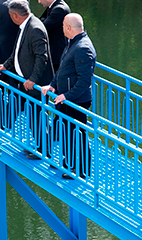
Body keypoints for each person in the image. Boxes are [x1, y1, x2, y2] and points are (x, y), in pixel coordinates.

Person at [41, 13, 96, 180]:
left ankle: (82, 170)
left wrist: (67, 96)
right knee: (65, 130)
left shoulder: (83, 48)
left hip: (76, 101)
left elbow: (84, 81)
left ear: (69, 28)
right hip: (65, 98)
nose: (62, 28)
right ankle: (67, 162)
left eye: (64, 25)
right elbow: (63, 69)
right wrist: (52, 84)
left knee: (78, 134)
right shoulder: (72, 42)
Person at [0, 0, 53, 156]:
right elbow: (17, 51)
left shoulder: (35, 28)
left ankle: (44, 151)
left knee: (36, 116)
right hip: (23, 81)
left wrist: (33, 79)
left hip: (34, 84)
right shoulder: (25, 26)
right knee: (23, 107)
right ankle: (4, 125)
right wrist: (6, 65)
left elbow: (42, 57)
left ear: (14, 15)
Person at [34, 0, 70, 73]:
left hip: (57, 55)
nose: (39, 2)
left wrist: (43, 21)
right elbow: (40, 20)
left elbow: (43, 27)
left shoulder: (60, 9)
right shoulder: (52, 7)